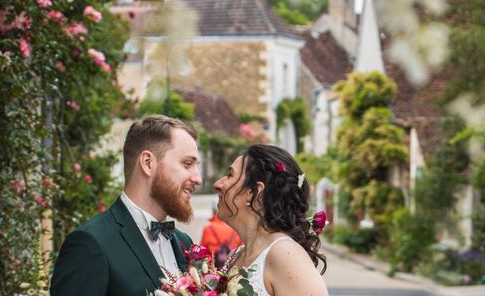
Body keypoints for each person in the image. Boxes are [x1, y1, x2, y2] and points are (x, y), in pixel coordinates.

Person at [50, 115, 202, 296]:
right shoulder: (90, 244)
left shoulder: (184, 242)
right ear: (148, 163)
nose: (198, 178)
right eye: (187, 164)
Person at [214, 144, 328, 296]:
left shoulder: (286, 256)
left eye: (230, 175)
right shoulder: (235, 255)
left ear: (255, 192)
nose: (218, 184)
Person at [200, 202, 242, 268]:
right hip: (233, 269)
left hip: (213, 270)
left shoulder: (208, 229)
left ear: (213, 211)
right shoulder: (236, 229)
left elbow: (202, 253)